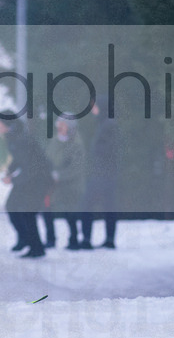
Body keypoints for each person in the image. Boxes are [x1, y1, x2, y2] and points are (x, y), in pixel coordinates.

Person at [0, 117, 52, 258]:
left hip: (38, 179)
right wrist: (11, 169)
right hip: (29, 178)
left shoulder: (21, 139)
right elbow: (19, 159)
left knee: (28, 212)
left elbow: (32, 166)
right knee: (12, 205)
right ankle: (25, 239)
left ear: (7, 124)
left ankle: (36, 248)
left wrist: (12, 179)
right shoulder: (12, 137)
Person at [79, 100, 120, 248]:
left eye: (95, 107)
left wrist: (96, 156)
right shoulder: (105, 124)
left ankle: (87, 240)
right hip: (104, 173)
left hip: (102, 174)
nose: (93, 111)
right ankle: (108, 239)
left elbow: (109, 150)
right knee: (107, 206)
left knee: (88, 205)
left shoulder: (108, 125)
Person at [41, 117, 86, 248]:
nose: (59, 128)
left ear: (70, 127)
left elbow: (76, 168)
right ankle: (50, 239)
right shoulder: (55, 141)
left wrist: (59, 175)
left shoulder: (76, 144)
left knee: (69, 211)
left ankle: (73, 239)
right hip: (54, 185)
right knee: (47, 208)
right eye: (59, 125)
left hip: (71, 185)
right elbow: (48, 158)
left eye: (63, 125)